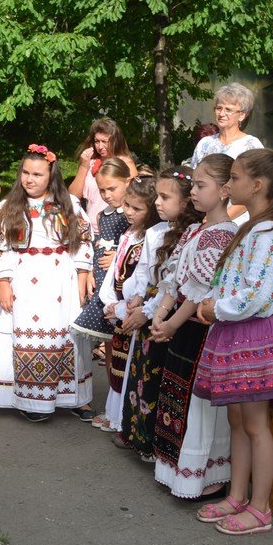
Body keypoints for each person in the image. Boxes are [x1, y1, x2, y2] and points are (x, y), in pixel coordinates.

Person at [193, 149, 273, 535]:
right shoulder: (252, 226)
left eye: (235, 178)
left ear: (256, 186)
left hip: (251, 333)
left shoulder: (269, 232)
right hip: (234, 331)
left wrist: (216, 308)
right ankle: (237, 495)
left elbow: (255, 293)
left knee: (256, 424)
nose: (229, 184)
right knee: (237, 419)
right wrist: (212, 304)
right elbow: (232, 279)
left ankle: (260, 508)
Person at [148, 154, 236, 499]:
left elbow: (199, 288)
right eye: (194, 184)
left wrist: (170, 323)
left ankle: (207, 475)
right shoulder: (193, 230)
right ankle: (176, 471)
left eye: (202, 185)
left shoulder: (222, 233)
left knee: (199, 403)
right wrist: (161, 314)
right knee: (178, 396)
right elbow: (176, 279)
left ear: (225, 190)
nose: (194, 192)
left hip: (201, 328)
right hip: (180, 324)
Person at [0, 144, 95, 421]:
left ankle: (73, 397)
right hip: (25, 281)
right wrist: (3, 283)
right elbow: (1, 248)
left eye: (37, 174)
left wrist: (83, 275)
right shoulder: (9, 207)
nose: (29, 179)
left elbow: (84, 240)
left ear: (51, 176)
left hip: (62, 279)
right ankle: (32, 401)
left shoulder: (69, 205)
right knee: (29, 335)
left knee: (66, 337)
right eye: (25, 172)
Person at [118, 166, 202, 455]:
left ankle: (157, 443)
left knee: (160, 377)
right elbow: (144, 272)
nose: (157, 202)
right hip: (150, 306)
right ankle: (137, 433)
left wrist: (150, 309)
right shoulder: (155, 231)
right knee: (142, 373)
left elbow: (177, 282)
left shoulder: (190, 235)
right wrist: (136, 297)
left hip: (168, 311)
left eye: (165, 197)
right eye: (157, 196)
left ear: (186, 201)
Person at [96, 176, 164, 434]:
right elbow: (115, 270)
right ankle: (114, 414)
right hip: (120, 305)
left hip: (135, 308)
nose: (129, 212)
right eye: (127, 205)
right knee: (117, 364)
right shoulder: (128, 233)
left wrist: (125, 304)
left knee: (128, 367)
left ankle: (122, 418)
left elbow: (143, 276)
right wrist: (110, 301)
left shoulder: (149, 236)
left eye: (137, 208)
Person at [71, 158, 133, 368]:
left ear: (128, 181)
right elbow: (98, 246)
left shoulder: (134, 213)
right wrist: (90, 272)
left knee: (124, 342)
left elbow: (138, 244)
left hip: (123, 282)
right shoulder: (102, 215)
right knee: (109, 343)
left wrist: (118, 256)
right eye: (102, 190)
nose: (107, 195)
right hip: (102, 280)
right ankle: (111, 392)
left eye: (112, 188)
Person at [67, 117, 138, 218]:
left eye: (105, 141)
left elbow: (135, 196)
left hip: (115, 224)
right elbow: (73, 196)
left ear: (115, 141)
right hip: (91, 223)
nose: (100, 146)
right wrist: (83, 166)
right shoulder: (90, 162)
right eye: (97, 141)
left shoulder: (125, 163)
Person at [185, 83, 263, 168]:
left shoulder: (251, 145)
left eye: (228, 110)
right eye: (219, 108)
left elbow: (259, 177)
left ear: (242, 115)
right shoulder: (205, 143)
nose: (221, 114)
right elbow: (194, 175)